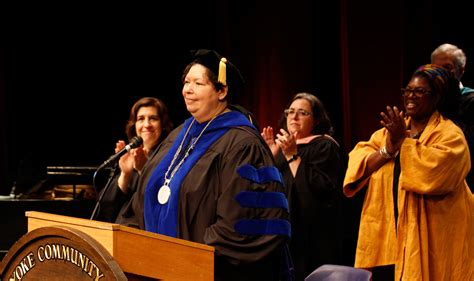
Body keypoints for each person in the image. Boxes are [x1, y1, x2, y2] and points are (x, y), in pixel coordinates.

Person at [115, 49, 292, 281]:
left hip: (205, 271)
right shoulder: (178, 136)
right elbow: (143, 198)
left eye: (198, 83)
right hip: (154, 269)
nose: (187, 90)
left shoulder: (243, 144)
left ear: (222, 91)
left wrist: (183, 256)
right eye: (186, 82)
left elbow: (242, 225)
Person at [343, 64, 473, 280]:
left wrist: (403, 142)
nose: (411, 96)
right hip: (390, 239)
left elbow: (434, 175)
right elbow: (360, 161)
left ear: (437, 97)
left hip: (436, 238)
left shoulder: (450, 135)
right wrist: (388, 149)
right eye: (408, 90)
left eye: (420, 91)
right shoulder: (391, 130)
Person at [261, 92, 346, 281]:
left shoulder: (324, 146)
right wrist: (269, 156)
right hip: (281, 236)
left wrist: (292, 155)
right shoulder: (282, 148)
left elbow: (319, 191)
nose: (294, 116)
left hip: (311, 240)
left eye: (302, 112)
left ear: (316, 120)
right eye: (290, 112)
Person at [93, 97, 173, 223]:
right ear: (134, 125)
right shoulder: (129, 155)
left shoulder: (171, 157)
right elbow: (104, 211)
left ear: (163, 125)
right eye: (141, 119)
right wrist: (125, 174)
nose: (146, 124)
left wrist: (143, 170)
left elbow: (163, 203)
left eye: (153, 118)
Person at [431, 43, 474, 190]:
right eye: (435, 68)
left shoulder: (470, 100)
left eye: (447, 67)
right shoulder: (426, 100)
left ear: (460, 71)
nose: (439, 73)